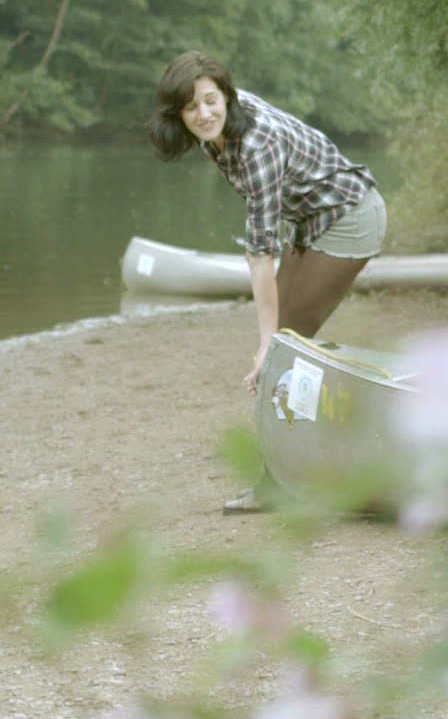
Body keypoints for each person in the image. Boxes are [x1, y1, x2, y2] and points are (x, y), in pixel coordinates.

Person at [148, 51, 387, 511]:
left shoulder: (257, 145)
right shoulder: (215, 135)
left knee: (284, 349)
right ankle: (311, 458)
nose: (205, 113)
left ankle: (284, 482)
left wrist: (265, 344)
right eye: (192, 107)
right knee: (289, 345)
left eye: (211, 100)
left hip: (349, 218)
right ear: (178, 113)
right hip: (312, 221)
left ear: (226, 96)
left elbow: (260, 254)